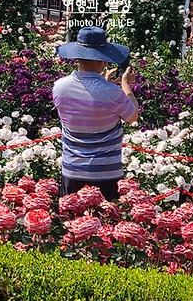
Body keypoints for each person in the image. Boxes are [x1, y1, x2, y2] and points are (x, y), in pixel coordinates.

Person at [53, 26, 139, 201]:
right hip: (105, 173)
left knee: (72, 224)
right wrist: (126, 85)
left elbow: (88, 102)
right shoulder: (111, 92)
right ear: (104, 60)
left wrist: (105, 84)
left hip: (72, 169)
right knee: (105, 225)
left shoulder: (60, 86)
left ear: (76, 56)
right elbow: (133, 116)